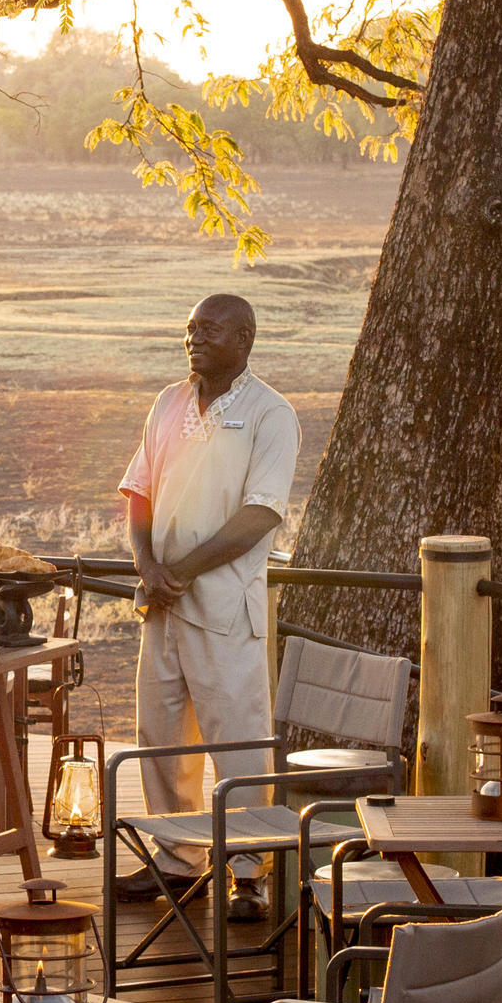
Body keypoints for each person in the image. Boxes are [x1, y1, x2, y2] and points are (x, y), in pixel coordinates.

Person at [115, 292, 300, 920]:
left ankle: (249, 875)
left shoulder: (272, 414)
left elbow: (260, 515)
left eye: (211, 329)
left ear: (244, 338)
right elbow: (139, 490)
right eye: (191, 328)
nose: (195, 338)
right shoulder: (167, 402)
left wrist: (183, 571)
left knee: (239, 738)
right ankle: (175, 860)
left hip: (223, 606)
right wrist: (147, 565)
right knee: (161, 734)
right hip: (162, 602)